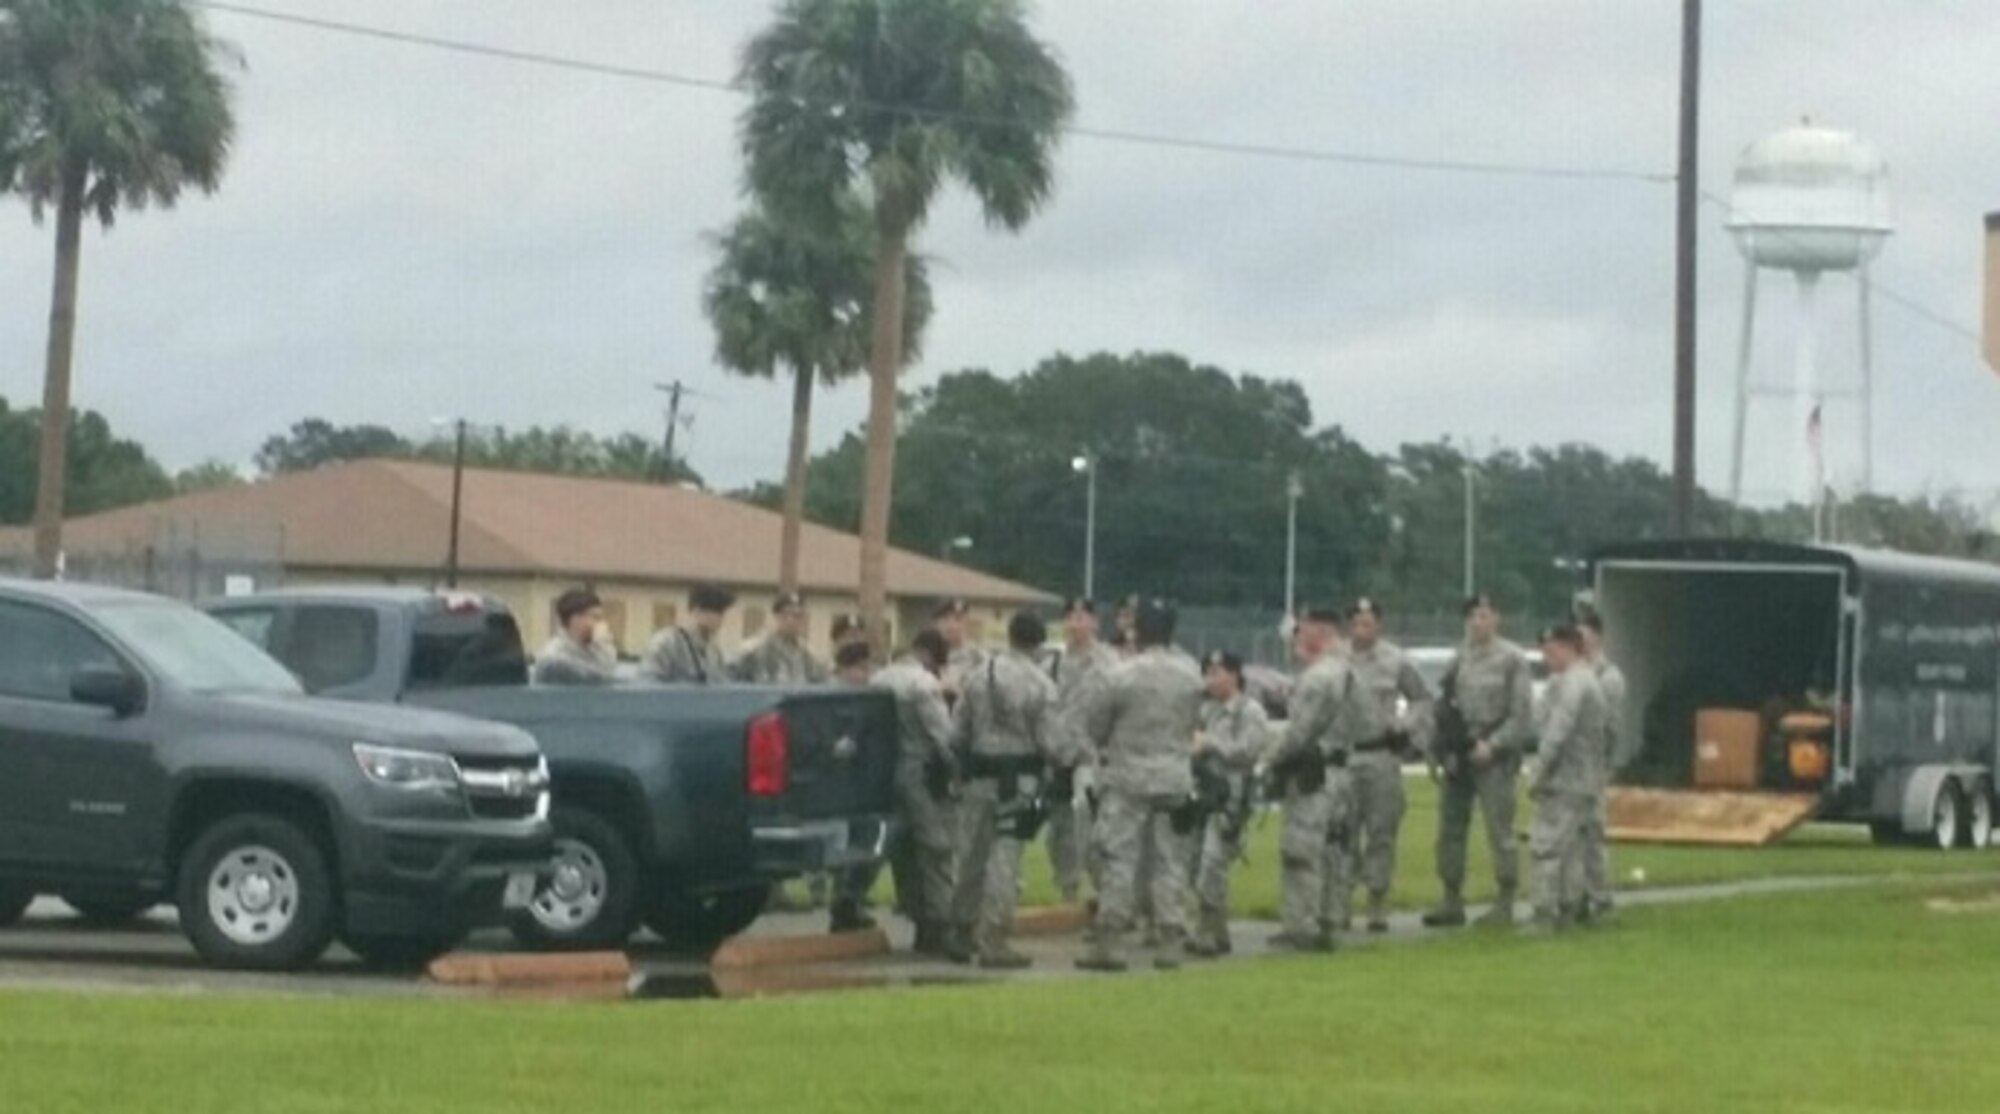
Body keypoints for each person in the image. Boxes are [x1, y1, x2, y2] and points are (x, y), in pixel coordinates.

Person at [1076, 599, 1206, 973]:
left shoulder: (1121, 674)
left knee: (1119, 858)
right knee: (1169, 861)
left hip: (1128, 777)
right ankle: (1169, 939)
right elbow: (1192, 721)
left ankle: (1110, 940)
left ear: (1137, 631)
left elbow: (1096, 726)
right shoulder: (1191, 675)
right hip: (1174, 774)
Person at [947, 612, 1068, 969]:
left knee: (970, 854)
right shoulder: (1041, 685)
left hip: (978, 776)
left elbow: (957, 733)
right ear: (1039, 643)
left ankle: (960, 930)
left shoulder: (977, 675)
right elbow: (1052, 744)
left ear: (1010, 637)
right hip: (1019, 780)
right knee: (1004, 859)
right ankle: (993, 939)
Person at [1424, 594, 1536, 929]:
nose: (1477, 622)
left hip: (1494, 755)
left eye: (1484, 615)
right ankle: (1451, 898)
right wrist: (1438, 748)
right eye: (1472, 616)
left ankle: (1504, 900)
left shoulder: (1512, 659)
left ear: (1496, 619)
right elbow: (1443, 704)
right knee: (1450, 828)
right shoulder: (1460, 657)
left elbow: (1521, 715)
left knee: (1499, 830)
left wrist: (1495, 744)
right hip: (1459, 752)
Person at [1263, 607, 1359, 952]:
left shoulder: (1320, 677)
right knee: (1334, 850)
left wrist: (1270, 761)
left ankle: (1301, 924)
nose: (1296, 637)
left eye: (1302, 630)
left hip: (1314, 775)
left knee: (1301, 851)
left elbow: (1299, 731)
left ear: (1319, 631)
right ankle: (1329, 919)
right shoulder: (1348, 671)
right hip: (1341, 770)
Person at [1342, 598, 1429, 933]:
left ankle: (1377, 901)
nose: (1363, 628)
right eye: (1357, 621)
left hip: (1381, 754)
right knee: (1343, 831)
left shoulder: (1394, 660)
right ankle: (1342, 900)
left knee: (1382, 831)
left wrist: (1405, 725)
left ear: (1379, 625)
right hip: (1346, 754)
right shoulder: (1337, 659)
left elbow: (1421, 698)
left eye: (1369, 622)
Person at [873, 630, 959, 955]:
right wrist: (959, 771)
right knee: (936, 849)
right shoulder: (922, 683)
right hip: (923, 774)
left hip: (888, 776)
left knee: (904, 852)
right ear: (931, 656)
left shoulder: (878, 679)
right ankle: (937, 926)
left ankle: (915, 914)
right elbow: (944, 736)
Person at [1526, 623, 1609, 932]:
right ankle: (1571, 909)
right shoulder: (1583, 681)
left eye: (1551, 651)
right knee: (1574, 849)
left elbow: (1558, 729)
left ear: (1568, 648)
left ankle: (1544, 913)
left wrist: (1539, 770)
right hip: (1585, 779)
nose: (1547, 658)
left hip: (1565, 780)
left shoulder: (1574, 683)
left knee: (1547, 847)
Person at [1188, 650, 1269, 958]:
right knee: (1196, 862)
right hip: (1204, 793)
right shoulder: (1206, 711)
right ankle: (1217, 931)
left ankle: (1208, 930)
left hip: (1231, 798)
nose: (1211, 679)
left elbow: (1249, 750)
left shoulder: (1250, 711)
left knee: (1213, 861)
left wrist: (1211, 744)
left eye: (1217, 672)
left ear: (1234, 675)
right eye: (1207, 672)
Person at [1042, 597, 1118, 905]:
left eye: (1083, 617)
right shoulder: (1052, 663)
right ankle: (1068, 890)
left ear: (1095, 623)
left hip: (1092, 754)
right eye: (1071, 618)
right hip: (1058, 754)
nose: (1076, 624)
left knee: (1085, 819)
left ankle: (1107, 890)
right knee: (1057, 831)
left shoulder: (1109, 663)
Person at [1576, 609, 1627, 921]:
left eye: (1583, 633)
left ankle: (1599, 897)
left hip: (1592, 763)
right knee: (1570, 836)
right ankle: (1576, 896)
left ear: (1597, 635)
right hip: (1572, 766)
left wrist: (1602, 766)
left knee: (1592, 833)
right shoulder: (1572, 671)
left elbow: (1608, 727)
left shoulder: (1608, 677)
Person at [642, 584, 733, 684]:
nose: (720, 619)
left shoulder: (713, 650)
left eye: (722, 613)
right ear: (697, 611)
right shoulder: (666, 643)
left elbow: (720, 684)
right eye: (717, 611)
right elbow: (648, 685)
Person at [733, 592, 830, 686]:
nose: (790, 621)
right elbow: (731, 682)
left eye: (797, 616)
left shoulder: (809, 655)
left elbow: (822, 682)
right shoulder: (752, 650)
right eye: (785, 615)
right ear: (774, 617)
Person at [531, 587, 620, 686]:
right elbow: (602, 680)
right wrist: (602, 644)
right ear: (575, 619)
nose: (601, 624)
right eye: (596, 617)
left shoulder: (592, 649)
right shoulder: (554, 658)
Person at [933, 598, 988, 704]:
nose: (951, 626)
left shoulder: (978, 657)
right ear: (935, 623)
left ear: (967, 623)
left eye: (958, 619)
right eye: (945, 619)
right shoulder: (928, 655)